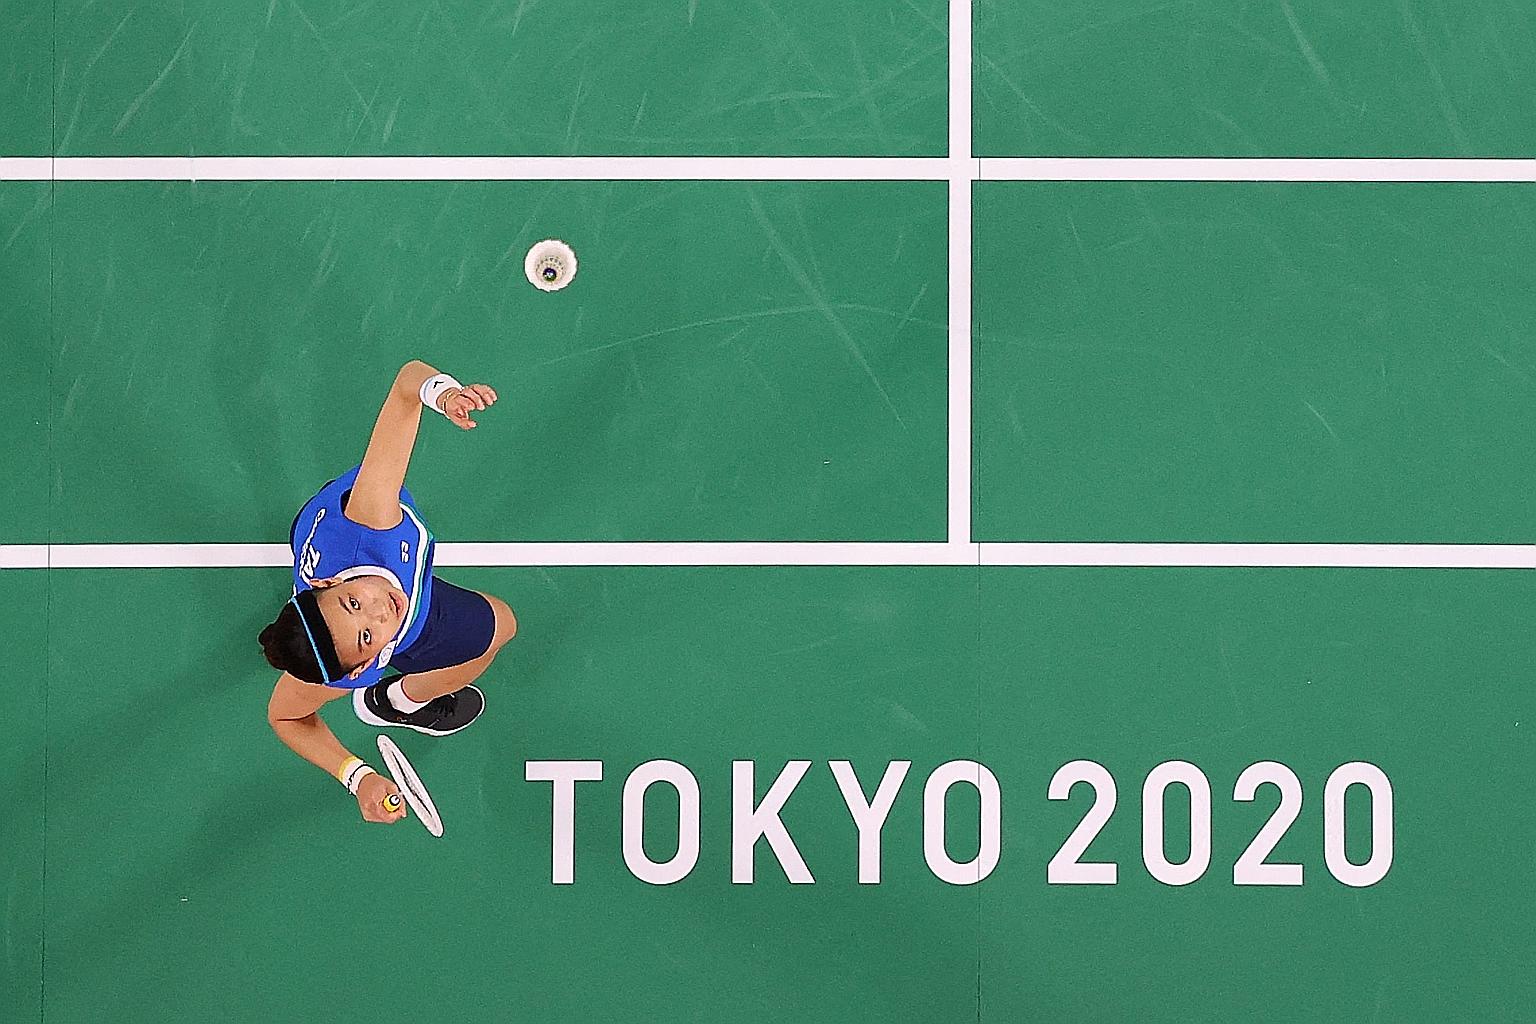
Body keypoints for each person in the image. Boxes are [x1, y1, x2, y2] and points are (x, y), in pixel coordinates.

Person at [260, 360, 518, 824]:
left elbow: (406, 382)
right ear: (363, 666)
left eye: (352, 603)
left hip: (345, 530)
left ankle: (394, 699)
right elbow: (285, 717)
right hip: (418, 624)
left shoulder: (371, 517)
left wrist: (443, 395)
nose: (380, 613)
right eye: (364, 636)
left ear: (324, 582)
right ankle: (401, 701)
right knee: (500, 628)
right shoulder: (338, 671)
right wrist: (357, 776)